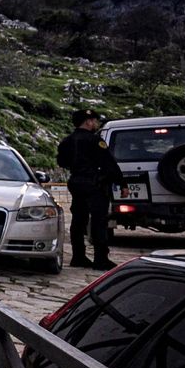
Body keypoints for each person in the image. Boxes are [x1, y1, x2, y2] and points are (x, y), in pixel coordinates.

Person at [56, 107, 122, 269]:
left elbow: (61, 162)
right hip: (94, 183)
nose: (96, 124)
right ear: (88, 121)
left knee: (78, 220)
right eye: (94, 121)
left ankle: (78, 256)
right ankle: (101, 259)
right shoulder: (95, 141)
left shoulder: (67, 141)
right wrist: (122, 183)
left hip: (76, 181)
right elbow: (109, 163)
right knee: (99, 221)